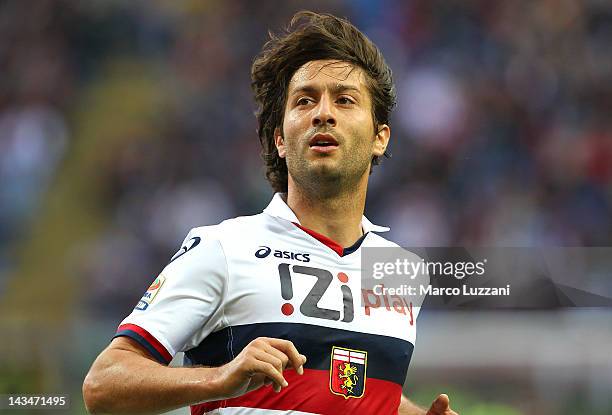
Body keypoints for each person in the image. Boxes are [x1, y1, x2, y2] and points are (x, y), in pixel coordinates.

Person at [83, 11, 458, 415]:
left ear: (380, 138)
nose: (323, 113)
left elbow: (351, 387)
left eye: (345, 100)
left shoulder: (401, 270)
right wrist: (220, 378)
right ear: (280, 139)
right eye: (305, 100)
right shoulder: (224, 248)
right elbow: (103, 384)